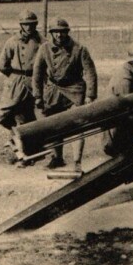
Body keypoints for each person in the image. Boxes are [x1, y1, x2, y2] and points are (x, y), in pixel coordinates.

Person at [32, 18, 97, 173]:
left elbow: (90, 72)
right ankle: (56, 158)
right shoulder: (44, 49)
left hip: (74, 90)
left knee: (78, 124)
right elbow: (37, 74)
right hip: (53, 91)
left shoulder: (79, 49)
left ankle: (77, 161)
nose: (59, 35)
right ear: (51, 33)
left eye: (62, 32)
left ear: (67, 32)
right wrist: (38, 95)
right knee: (54, 126)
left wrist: (90, 95)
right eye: (55, 32)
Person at [0, 9, 43, 165]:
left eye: (31, 24)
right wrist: (16, 76)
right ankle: (18, 152)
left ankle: (30, 152)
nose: (29, 27)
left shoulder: (41, 42)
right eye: (25, 24)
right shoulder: (12, 42)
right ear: (21, 25)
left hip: (34, 82)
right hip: (15, 83)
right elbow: (2, 65)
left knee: (30, 118)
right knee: (10, 115)